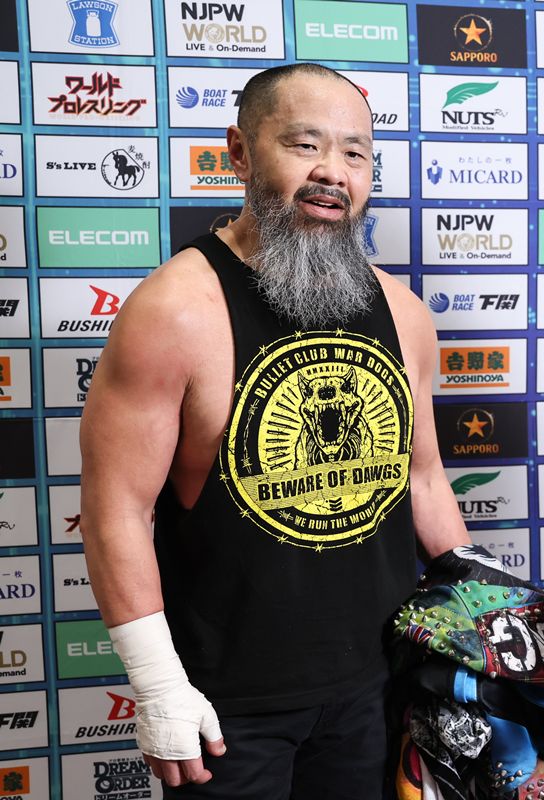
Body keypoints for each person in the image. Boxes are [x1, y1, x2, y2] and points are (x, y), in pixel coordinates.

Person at [79, 63, 470, 798]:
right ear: (240, 151)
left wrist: (484, 608)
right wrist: (157, 682)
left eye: (355, 153)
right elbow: (116, 511)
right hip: (229, 709)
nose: (332, 172)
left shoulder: (405, 313)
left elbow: (422, 479)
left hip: (377, 689)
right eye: (304, 144)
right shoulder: (174, 310)